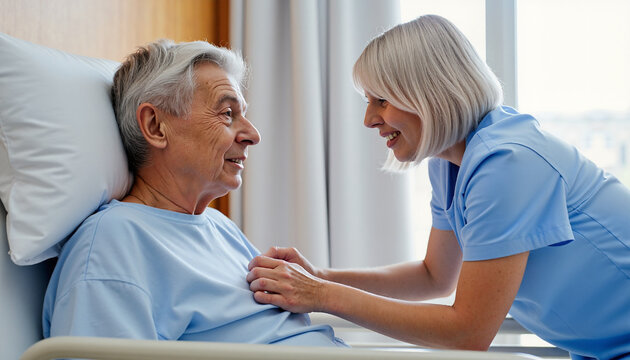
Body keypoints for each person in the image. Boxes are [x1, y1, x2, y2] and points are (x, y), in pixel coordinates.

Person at [246, 14, 630, 359]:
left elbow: (468, 333)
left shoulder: (509, 162)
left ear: (429, 92)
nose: (368, 119)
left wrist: (321, 296)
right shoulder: (452, 163)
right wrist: (322, 278)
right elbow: (434, 276)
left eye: (381, 100)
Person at [42, 39, 345, 347]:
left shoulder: (219, 227)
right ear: (156, 126)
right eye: (227, 113)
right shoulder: (113, 244)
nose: (253, 134)